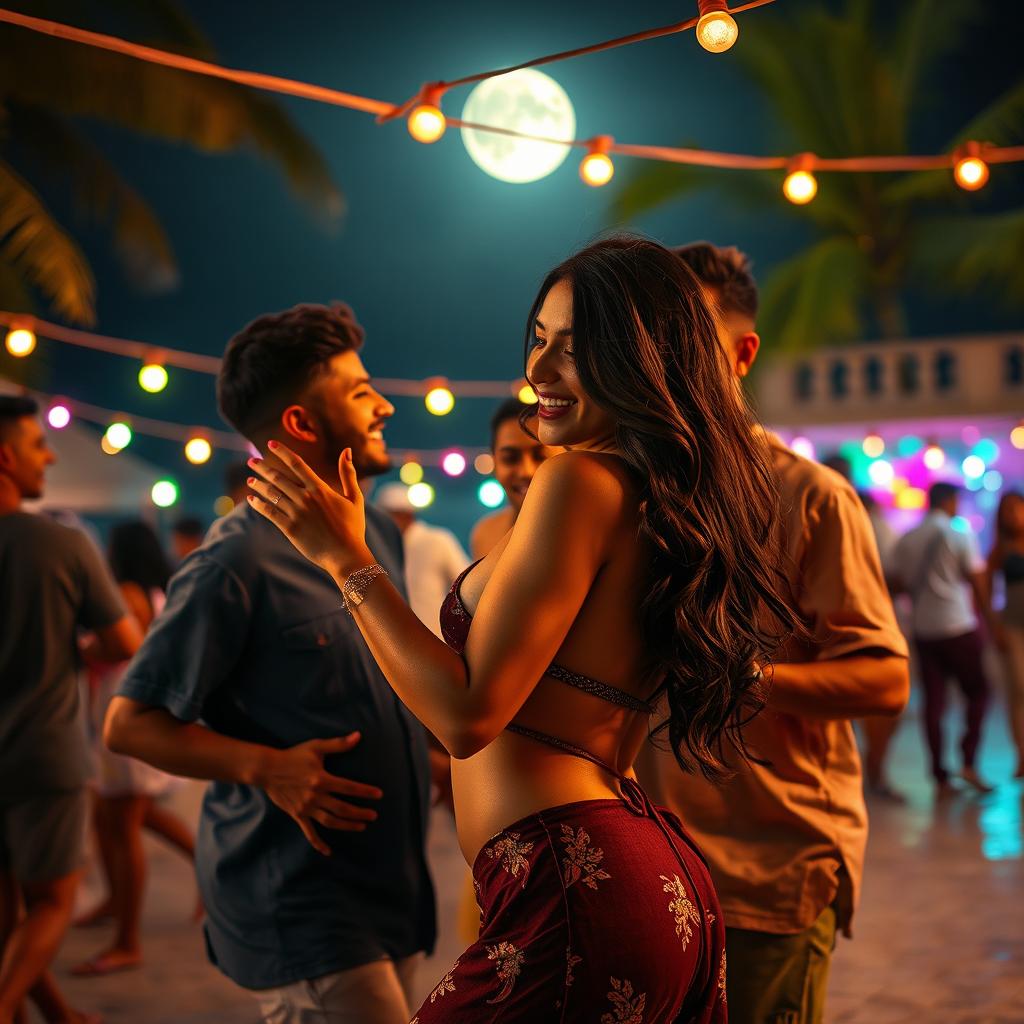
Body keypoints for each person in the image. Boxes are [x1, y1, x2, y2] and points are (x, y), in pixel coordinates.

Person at [247, 237, 802, 1021]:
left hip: (574, 888)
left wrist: (344, 558)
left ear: (644, 360)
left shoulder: (579, 480)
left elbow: (468, 716)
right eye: (538, 340)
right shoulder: (654, 491)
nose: (539, 373)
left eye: (576, 350)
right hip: (639, 878)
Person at [104, 303, 435, 1024]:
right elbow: (130, 725)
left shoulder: (376, 530)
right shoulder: (234, 559)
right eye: (357, 391)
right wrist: (267, 766)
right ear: (300, 426)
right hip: (303, 900)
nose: (383, 405)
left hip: (394, 886)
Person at [635, 242, 909, 1024]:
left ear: (742, 352)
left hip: (765, 873)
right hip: (650, 872)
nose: (662, 356)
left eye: (687, 333)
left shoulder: (809, 499)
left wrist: (745, 677)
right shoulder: (629, 497)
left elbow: (885, 681)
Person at [0, 394, 142, 1024]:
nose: (50, 455)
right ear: (6, 457)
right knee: (53, 902)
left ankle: (54, 1011)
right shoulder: (61, 544)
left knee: (6, 910)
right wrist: (67, 643)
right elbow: (124, 643)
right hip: (43, 749)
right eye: (37, 446)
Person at [73, 521, 197, 977]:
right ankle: (118, 906)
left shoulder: (126, 591)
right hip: (137, 702)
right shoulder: (157, 589)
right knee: (125, 817)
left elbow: (120, 647)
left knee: (122, 825)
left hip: (121, 704)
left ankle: (127, 939)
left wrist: (79, 648)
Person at [892, 481, 1003, 796]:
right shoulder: (959, 533)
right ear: (951, 501)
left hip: (924, 630)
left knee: (934, 704)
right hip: (958, 625)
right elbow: (978, 581)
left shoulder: (908, 539)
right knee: (979, 693)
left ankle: (939, 777)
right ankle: (968, 762)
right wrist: (992, 625)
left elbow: (896, 583)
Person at [375, 482, 469, 637]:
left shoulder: (437, 540)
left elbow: (465, 585)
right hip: (394, 642)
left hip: (434, 639)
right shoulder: (378, 546)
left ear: (407, 515)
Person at [470, 398, 557, 559]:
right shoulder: (485, 534)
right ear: (494, 464)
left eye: (540, 456)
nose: (526, 471)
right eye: (510, 458)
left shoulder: (587, 531)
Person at [986, 490, 1024, 778]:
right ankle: (1022, 753)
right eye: (1008, 510)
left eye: (1017, 508)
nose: (1013, 514)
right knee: (1018, 690)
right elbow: (983, 591)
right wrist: (994, 626)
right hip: (1012, 624)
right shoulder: (1000, 550)